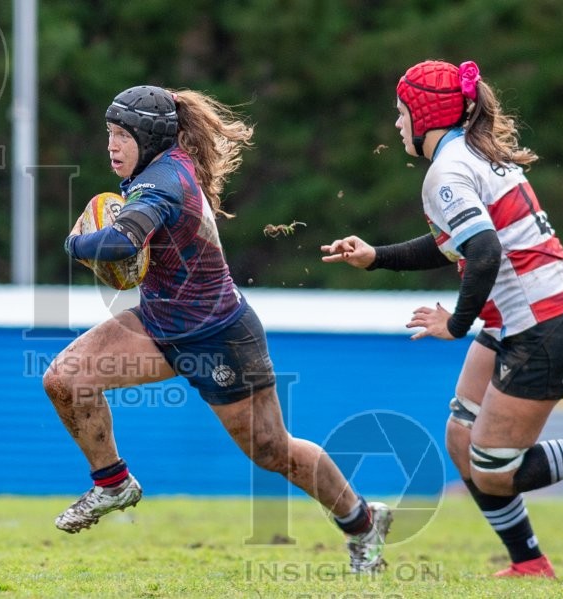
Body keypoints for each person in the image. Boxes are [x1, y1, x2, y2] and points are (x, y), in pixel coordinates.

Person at [43, 85, 392, 573]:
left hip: (220, 336)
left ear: (148, 137)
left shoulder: (161, 183)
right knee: (65, 379)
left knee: (273, 450)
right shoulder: (156, 170)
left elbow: (121, 245)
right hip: (159, 324)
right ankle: (113, 483)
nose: (111, 146)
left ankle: (362, 521)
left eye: (121, 135)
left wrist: (76, 244)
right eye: (108, 134)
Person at [321, 60, 563, 578]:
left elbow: (482, 254)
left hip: (544, 322)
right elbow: (456, 244)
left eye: (400, 113)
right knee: (462, 438)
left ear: (424, 115)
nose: (396, 125)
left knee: (494, 469)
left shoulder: (448, 169)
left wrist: (454, 325)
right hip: (520, 317)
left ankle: (528, 559)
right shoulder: (472, 154)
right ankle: (530, 564)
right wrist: (377, 257)